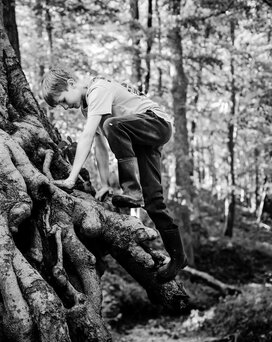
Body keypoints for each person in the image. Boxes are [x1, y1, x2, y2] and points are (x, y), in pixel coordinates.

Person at [41, 67, 187, 281]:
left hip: (157, 123)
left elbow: (89, 136)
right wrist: (104, 184)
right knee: (154, 202)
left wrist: (71, 178)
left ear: (71, 83)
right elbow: (100, 146)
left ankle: (132, 191)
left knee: (112, 125)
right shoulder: (88, 107)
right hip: (145, 138)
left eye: (62, 100)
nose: (64, 107)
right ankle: (178, 257)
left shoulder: (97, 90)